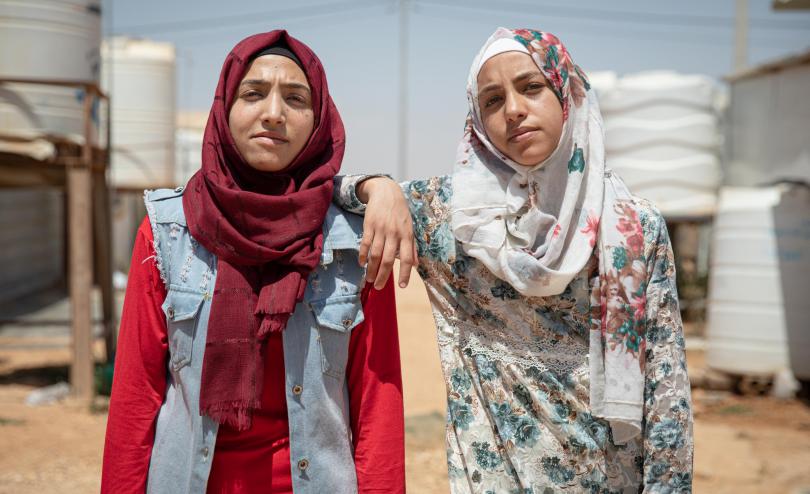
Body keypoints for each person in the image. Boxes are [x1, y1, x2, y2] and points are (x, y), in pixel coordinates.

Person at [337, 27, 693, 492]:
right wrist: (376, 186)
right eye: (491, 100)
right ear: (477, 120)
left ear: (568, 93)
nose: (513, 110)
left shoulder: (632, 228)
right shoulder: (455, 219)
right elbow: (326, 193)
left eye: (531, 87)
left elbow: (666, 391)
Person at [102, 30, 405, 494]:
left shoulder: (356, 238)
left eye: (296, 98)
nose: (273, 113)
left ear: (320, 117)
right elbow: (135, 396)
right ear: (225, 108)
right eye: (254, 93)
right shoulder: (165, 231)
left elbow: (377, 403)